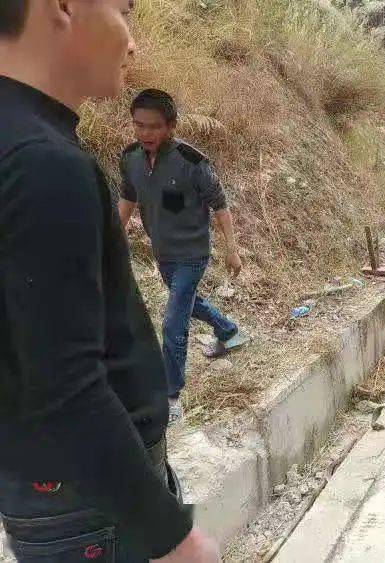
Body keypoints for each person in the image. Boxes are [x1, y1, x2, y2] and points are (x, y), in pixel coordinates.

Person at [0, 1, 218, 562]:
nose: (134, 42)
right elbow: (66, 386)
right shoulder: (42, 162)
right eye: (124, 9)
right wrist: (172, 537)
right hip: (89, 509)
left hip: (45, 485)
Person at [119, 89, 244, 424]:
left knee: (174, 322)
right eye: (139, 125)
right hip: (164, 254)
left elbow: (220, 204)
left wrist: (232, 250)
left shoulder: (192, 163)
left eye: (154, 127)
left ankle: (171, 395)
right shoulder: (130, 158)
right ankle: (229, 331)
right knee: (188, 302)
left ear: (171, 126)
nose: (145, 133)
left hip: (192, 254)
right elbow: (128, 199)